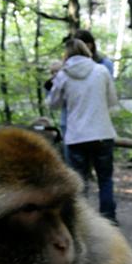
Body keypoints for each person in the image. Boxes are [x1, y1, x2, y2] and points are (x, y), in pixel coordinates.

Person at [47, 38, 119, 224]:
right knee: (105, 179)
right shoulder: (101, 71)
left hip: (76, 136)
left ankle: (82, 221)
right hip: (102, 133)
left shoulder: (63, 75)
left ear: (67, 55)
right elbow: (112, 101)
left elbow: (52, 104)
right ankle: (109, 219)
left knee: (80, 181)